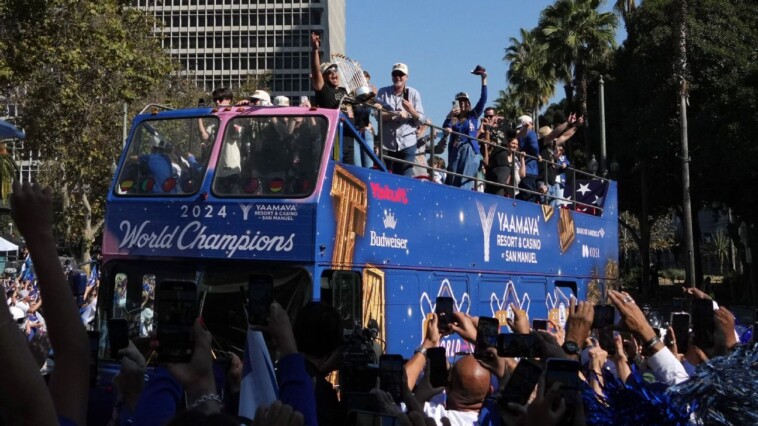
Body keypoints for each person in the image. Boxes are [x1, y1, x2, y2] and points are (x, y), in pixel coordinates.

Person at [309, 32, 355, 165]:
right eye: (329, 72)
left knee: (352, 171)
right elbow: (316, 71)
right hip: (336, 135)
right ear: (324, 77)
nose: (334, 74)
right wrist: (315, 50)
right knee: (337, 167)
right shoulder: (323, 90)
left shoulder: (344, 91)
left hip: (351, 135)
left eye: (335, 71)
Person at [375, 63, 426, 176]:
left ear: (406, 77)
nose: (398, 77)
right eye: (395, 74)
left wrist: (411, 111)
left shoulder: (413, 93)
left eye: (401, 74)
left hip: (407, 143)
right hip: (387, 143)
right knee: (385, 176)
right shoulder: (383, 92)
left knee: (404, 177)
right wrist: (395, 114)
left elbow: (422, 119)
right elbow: (377, 115)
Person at [443, 71, 488, 189]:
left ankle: (463, 204)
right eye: (459, 101)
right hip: (456, 150)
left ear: (468, 103)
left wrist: (483, 80)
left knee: (465, 181)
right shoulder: (453, 117)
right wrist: (449, 115)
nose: (462, 103)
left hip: (470, 150)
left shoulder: (473, 115)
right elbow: (445, 128)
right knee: (453, 178)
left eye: (464, 101)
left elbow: (483, 99)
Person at [515, 115, 539, 202]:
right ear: (530, 124)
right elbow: (534, 147)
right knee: (530, 199)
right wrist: (537, 154)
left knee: (520, 197)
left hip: (518, 168)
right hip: (530, 169)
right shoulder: (531, 133)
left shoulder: (517, 134)